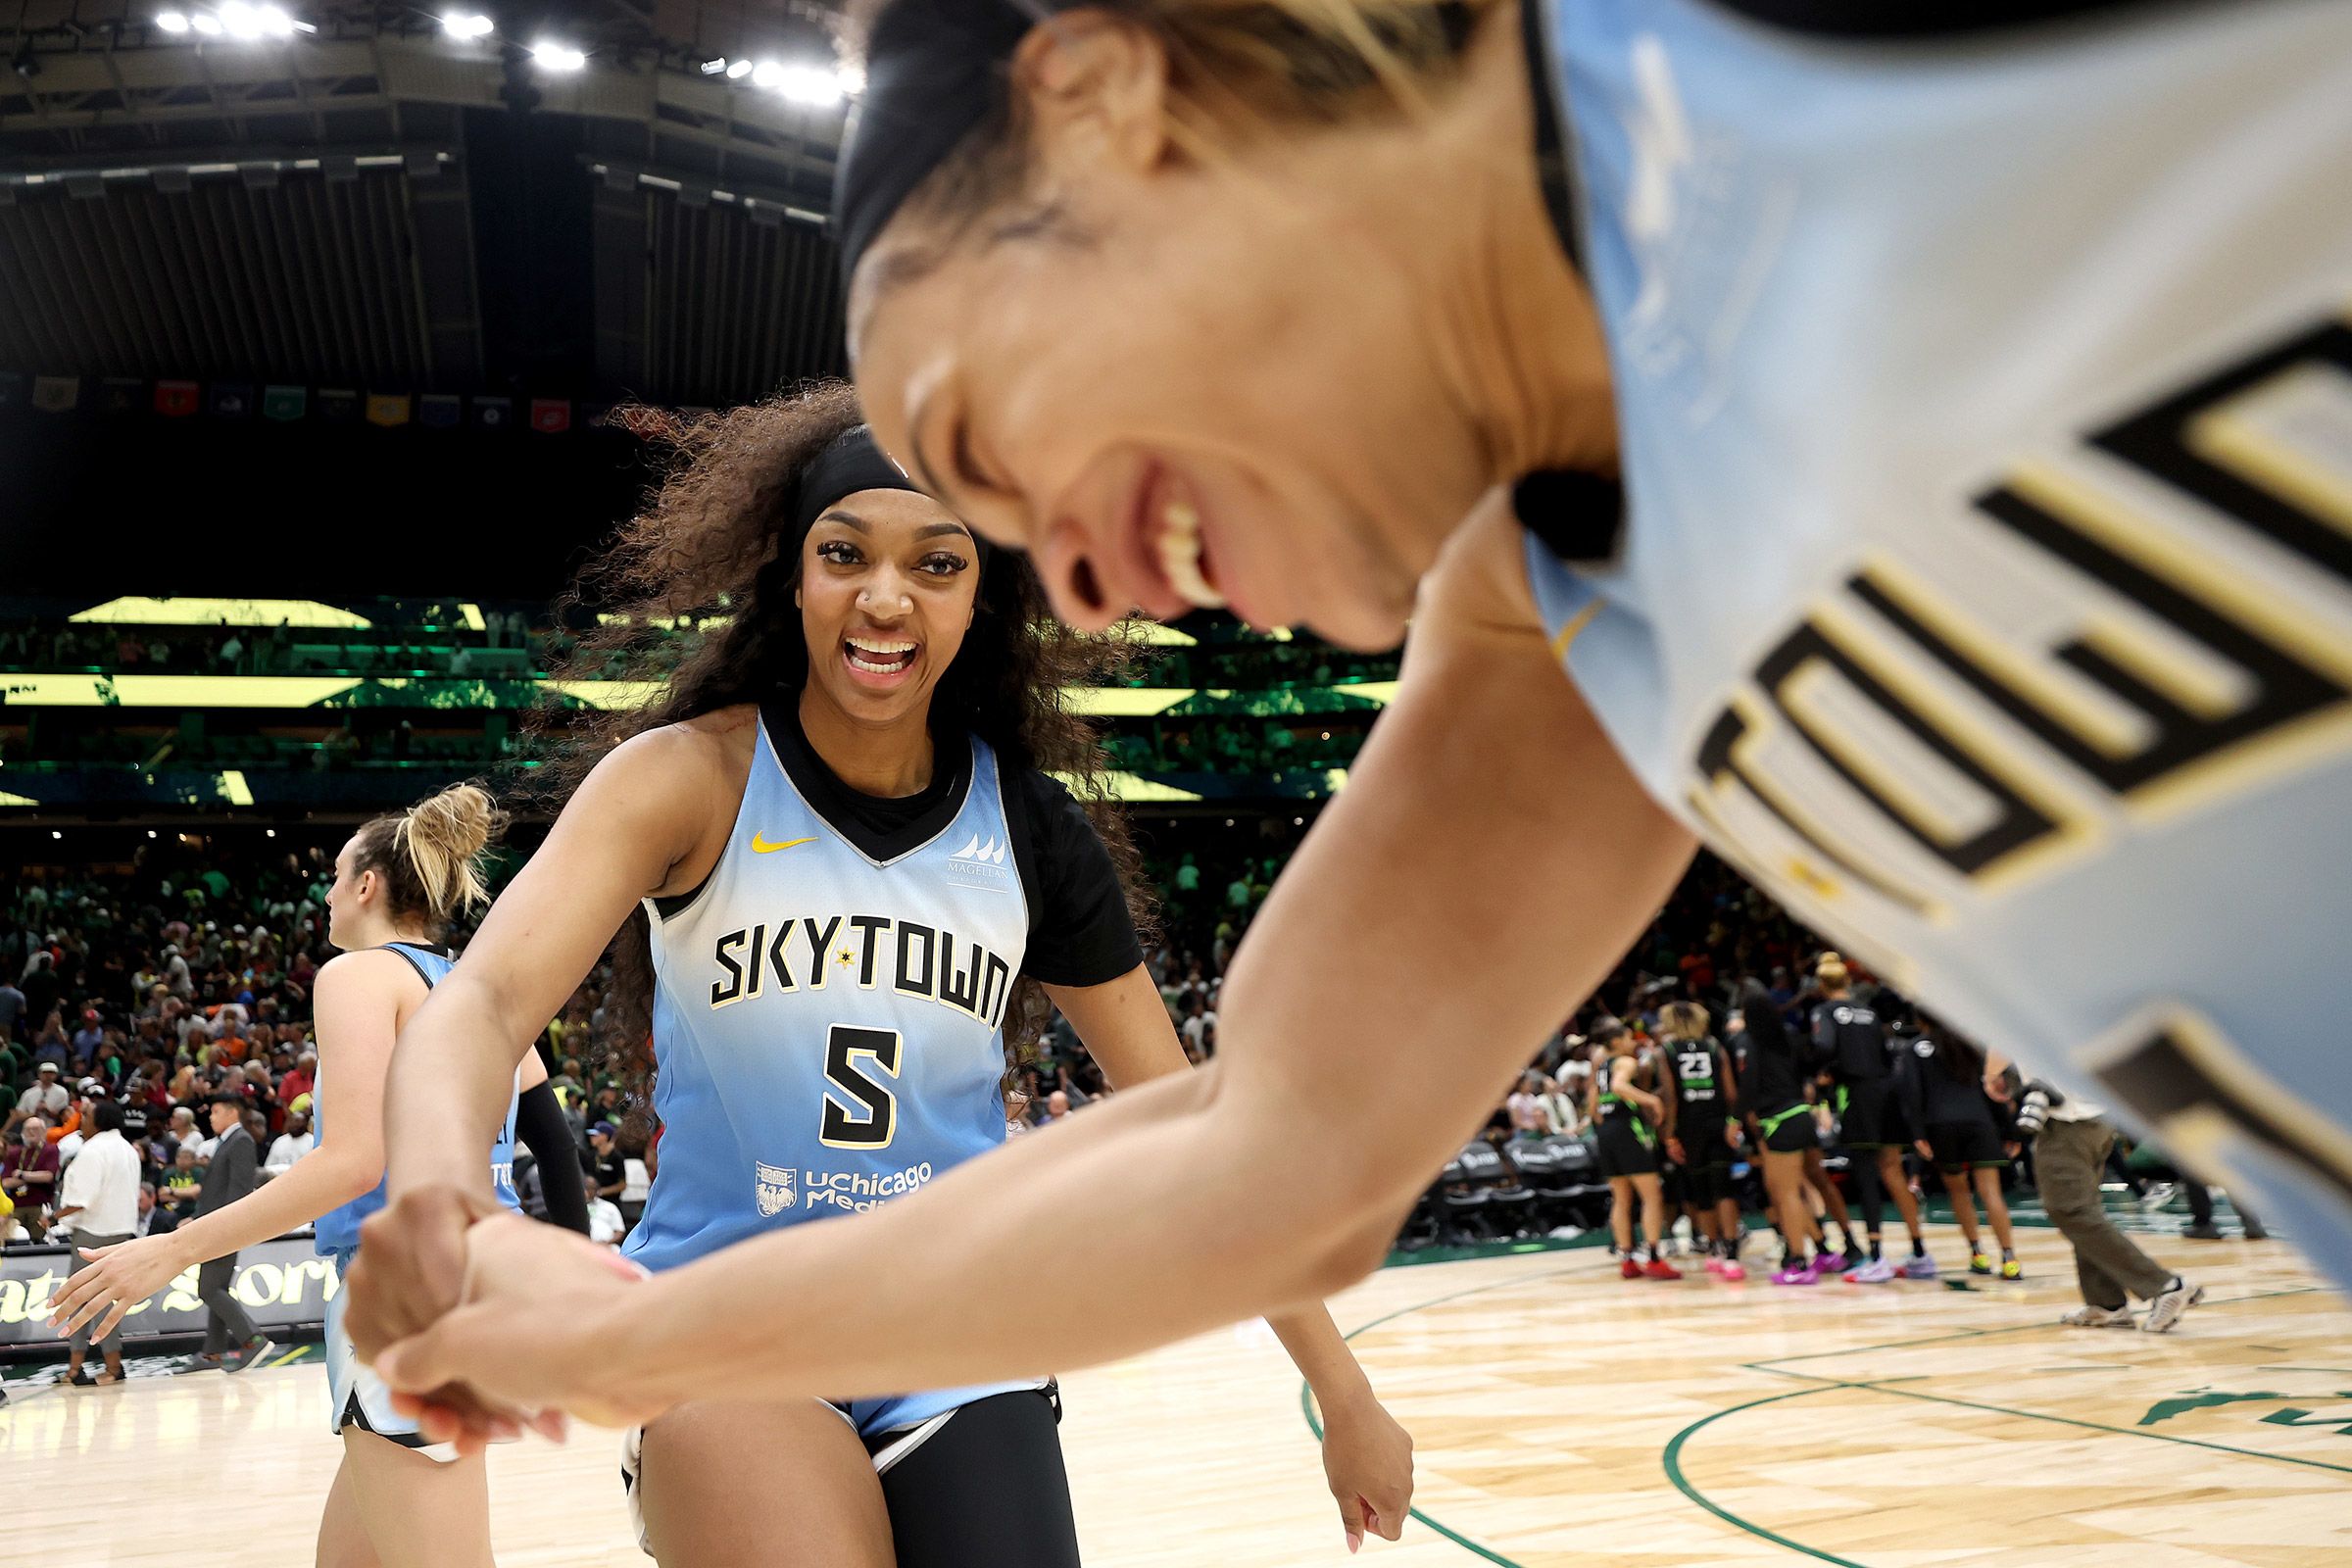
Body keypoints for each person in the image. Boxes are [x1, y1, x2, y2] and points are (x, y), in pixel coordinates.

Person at [356, 0, 2352, 1435]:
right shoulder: (1549, 600)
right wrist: (611, 1338)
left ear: (1109, 96)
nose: (1091, 583)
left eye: (985, 462)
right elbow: (1264, 1144)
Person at [354, 394, 1413, 1560]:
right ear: (792, 576)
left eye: (937, 562)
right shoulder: (685, 780)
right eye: (845, 552)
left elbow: (1189, 1126)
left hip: (957, 1337)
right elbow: (485, 1004)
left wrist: (1344, 1391)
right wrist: (445, 1206)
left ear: (981, 597)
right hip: (725, 1321)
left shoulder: (1030, 831)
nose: (886, 595)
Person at [47, 782, 586, 1568]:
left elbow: (353, 1161)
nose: (327, 896)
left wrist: (172, 1250)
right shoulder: (475, 988)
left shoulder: (361, 976)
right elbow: (554, 1142)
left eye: (334, 877)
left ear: (367, 885)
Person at [1810, 956, 1929, 1284]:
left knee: (1864, 1173)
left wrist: (1821, 1072)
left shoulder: (1824, 1012)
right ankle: (1920, 1251)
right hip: (1886, 1091)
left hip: (1857, 1093)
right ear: (1847, 983)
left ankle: (1876, 1257)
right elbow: (1886, 1053)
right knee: (1893, 1170)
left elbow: (1824, 1045)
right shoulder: (1869, 1012)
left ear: (1822, 986)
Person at [1896, 1022, 2020, 1280]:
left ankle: (1978, 1254)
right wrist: (2009, 1131)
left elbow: (1912, 1093)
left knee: (1959, 1192)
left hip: (1941, 1126)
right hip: (1979, 1121)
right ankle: (2010, 1259)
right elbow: (1993, 1090)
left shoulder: (1914, 1048)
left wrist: (1917, 1134)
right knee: (1991, 1193)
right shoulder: (1972, 1040)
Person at [1734, 985, 1831, 1287]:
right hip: (1800, 1116)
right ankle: (1822, 1249)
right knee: (1784, 1190)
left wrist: (1733, 1119)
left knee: (1786, 1194)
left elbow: (1748, 1086)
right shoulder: (1789, 1038)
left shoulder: (1752, 1043)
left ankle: (1800, 1262)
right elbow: (1813, 1067)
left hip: (1779, 1120)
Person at [54, 1100, 140, 1386]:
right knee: (108, 1301)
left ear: (99, 1121)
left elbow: (80, 1201)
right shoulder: (128, 1149)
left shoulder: (93, 1150)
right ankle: (113, 1365)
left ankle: (76, 1369)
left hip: (93, 1234)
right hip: (122, 1233)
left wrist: (52, 1217)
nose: (82, 1120)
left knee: (78, 1299)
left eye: (87, 1115)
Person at [1655, 1002, 1743, 1280]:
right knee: (1724, 1187)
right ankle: (1731, 1252)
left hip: (1688, 1127)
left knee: (1701, 1190)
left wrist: (1669, 1136)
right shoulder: (1715, 1047)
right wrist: (1733, 1122)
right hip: (1717, 1122)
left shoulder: (1666, 1051)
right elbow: (1731, 1093)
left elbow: (1670, 1097)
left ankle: (1715, 1247)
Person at [1586, 1020, 1677, 1281]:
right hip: (1627, 1128)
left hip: (1606, 1133)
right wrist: (1652, 1100)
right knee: (1651, 1195)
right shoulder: (1625, 1062)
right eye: (1628, 1038)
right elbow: (1619, 1087)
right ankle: (1655, 1258)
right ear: (1615, 1042)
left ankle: (1627, 1259)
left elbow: (1592, 1105)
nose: (1633, 1042)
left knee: (1621, 1198)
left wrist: (1607, 1125)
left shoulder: (1600, 1067)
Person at [2, 1114, 60, 1240]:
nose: (31, 1132)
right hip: (16, 1205)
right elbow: (5, 1182)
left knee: (39, 1240)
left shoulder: (50, 1150)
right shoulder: (14, 1153)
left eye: (36, 1129)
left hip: (39, 1205)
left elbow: (48, 1176)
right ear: (22, 1132)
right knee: (13, 1239)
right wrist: (33, 1177)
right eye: (28, 1129)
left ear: (44, 1131)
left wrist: (22, 1175)